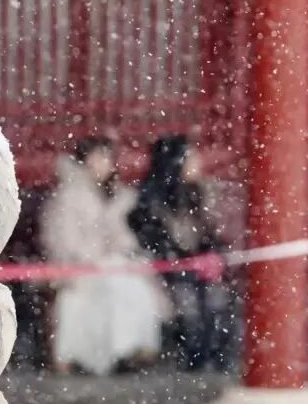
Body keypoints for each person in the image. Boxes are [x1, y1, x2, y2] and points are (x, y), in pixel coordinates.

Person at [40, 136, 166, 375]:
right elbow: (62, 238)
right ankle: (105, 353)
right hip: (79, 266)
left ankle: (130, 349)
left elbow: (126, 234)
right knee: (110, 286)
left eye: (107, 158)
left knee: (135, 286)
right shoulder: (67, 195)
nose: (103, 163)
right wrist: (93, 256)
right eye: (98, 157)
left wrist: (120, 249)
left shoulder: (120, 195)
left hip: (113, 262)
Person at [129, 135, 229, 371]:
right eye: (190, 158)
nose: (198, 163)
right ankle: (193, 357)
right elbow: (156, 242)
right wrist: (181, 259)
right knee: (187, 301)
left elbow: (212, 235)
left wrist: (209, 255)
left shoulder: (203, 192)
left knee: (217, 298)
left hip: (200, 267)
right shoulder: (151, 201)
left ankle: (214, 355)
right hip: (169, 269)